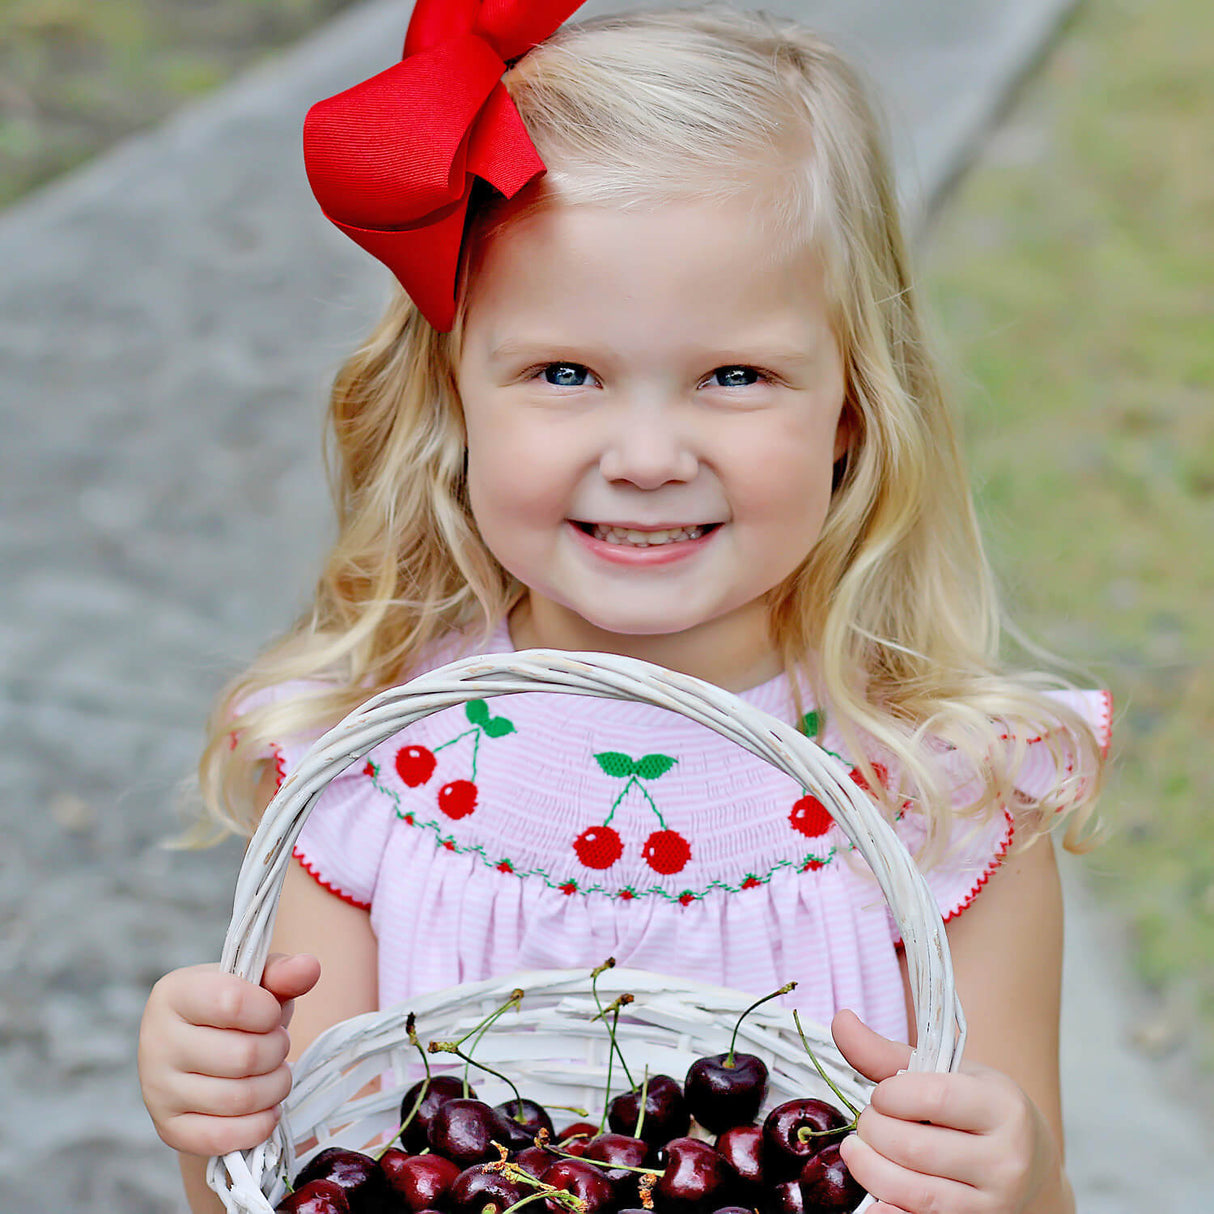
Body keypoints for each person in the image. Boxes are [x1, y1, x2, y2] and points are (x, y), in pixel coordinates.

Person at [137, 4, 1112, 1212]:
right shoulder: (374, 767)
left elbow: (1033, 1185)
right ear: (455, 397)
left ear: (852, 407)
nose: (647, 454)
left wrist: (1007, 1182)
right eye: (565, 373)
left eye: (733, 376)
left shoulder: (946, 791)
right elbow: (300, 1176)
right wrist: (211, 1117)